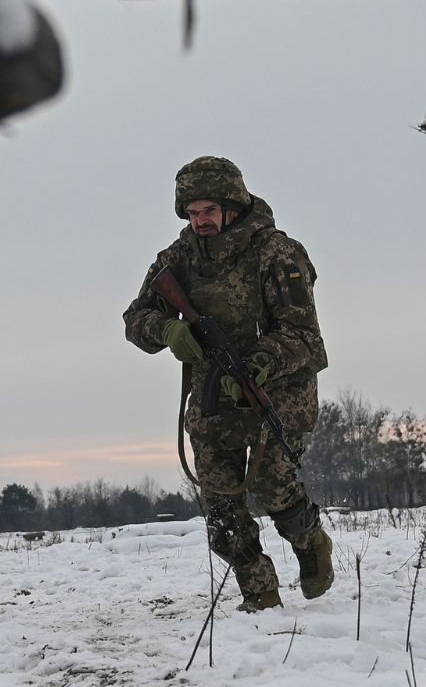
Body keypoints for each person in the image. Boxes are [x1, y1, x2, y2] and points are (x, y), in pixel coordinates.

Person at [124, 157, 331, 611]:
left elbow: (305, 338)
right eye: (193, 212)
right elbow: (135, 318)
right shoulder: (176, 260)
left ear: (232, 205)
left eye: (209, 211)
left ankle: (310, 542)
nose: (201, 221)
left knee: (274, 489)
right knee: (220, 504)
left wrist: (258, 365)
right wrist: (169, 331)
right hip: (214, 395)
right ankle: (259, 592)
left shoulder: (277, 253)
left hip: (278, 391)